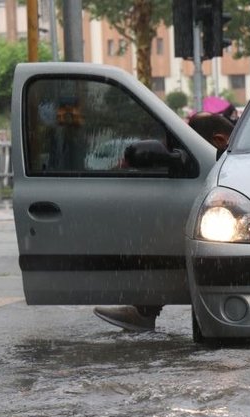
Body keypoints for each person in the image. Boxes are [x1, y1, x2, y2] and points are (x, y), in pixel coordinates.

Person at [93, 112, 235, 332]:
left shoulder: (232, 174)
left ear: (218, 141)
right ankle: (145, 310)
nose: (181, 155)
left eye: (186, 149)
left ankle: (144, 311)